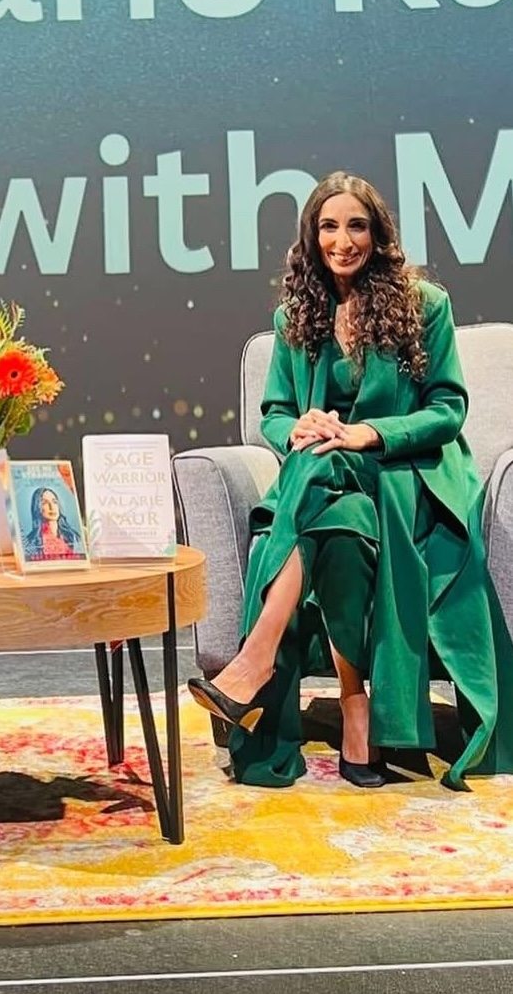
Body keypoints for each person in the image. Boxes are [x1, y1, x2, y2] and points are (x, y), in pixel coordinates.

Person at [187, 172, 513, 790]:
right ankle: (353, 705)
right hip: (334, 490)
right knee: (333, 507)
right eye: (329, 226)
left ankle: (251, 667)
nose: (343, 240)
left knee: (317, 471)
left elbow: (447, 409)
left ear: (378, 232)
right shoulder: (295, 317)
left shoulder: (424, 306)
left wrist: (366, 433)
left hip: (403, 475)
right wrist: (301, 428)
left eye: (356, 225)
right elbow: (276, 413)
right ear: (311, 238)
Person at [23, 487, 83, 561]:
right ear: (37, 508)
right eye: (44, 503)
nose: (51, 507)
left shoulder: (73, 536)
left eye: (54, 502)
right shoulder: (31, 542)